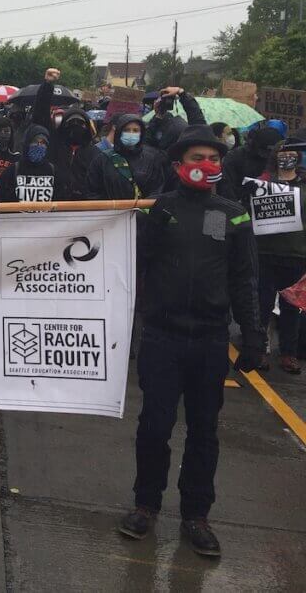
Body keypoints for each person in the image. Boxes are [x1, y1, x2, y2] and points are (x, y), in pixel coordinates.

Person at [118, 125, 264, 557]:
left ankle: (196, 515)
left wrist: (254, 335)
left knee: (204, 431)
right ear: (179, 164)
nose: (207, 165)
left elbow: (244, 279)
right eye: (198, 158)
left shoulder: (234, 215)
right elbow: (130, 266)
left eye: (214, 158)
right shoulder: (158, 209)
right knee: (154, 427)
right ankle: (145, 505)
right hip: (162, 337)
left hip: (209, 340)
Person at [252, 134, 306, 375]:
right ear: (275, 156)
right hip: (265, 253)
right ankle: (259, 350)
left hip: (296, 254)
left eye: (292, 153)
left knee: (291, 308)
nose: (287, 156)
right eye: (283, 152)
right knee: (262, 305)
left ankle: (288, 353)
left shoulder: (304, 184)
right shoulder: (263, 183)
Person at [32, 68, 98, 201]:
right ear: (63, 125)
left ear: (87, 127)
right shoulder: (54, 144)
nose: (75, 126)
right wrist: (47, 85)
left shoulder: (95, 153)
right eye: (71, 122)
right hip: (56, 203)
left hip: (86, 207)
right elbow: (40, 115)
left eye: (80, 123)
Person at [87, 113, 168, 200]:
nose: (131, 133)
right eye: (126, 130)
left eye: (135, 130)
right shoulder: (102, 159)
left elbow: (157, 189)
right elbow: (92, 190)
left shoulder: (151, 159)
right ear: (118, 132)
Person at [221, 122, 283, 204]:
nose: (268, 156)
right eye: (264, 152)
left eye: (272, 153)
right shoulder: (235, 157)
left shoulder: (281, 157)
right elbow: (227, 188)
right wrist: (244, 193)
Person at [0, 125, 55, 203]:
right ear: (27, 143)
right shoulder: (12, 171)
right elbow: (2, 199)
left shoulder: (52, 171)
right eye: (35, 141)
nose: (39, 145)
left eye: (43, 142)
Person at [143, 87, 206, 151]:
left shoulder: (155, 154)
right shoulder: (195, 150)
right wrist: (181, 93)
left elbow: (146, 143)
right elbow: (199, 127)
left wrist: (158, 116)